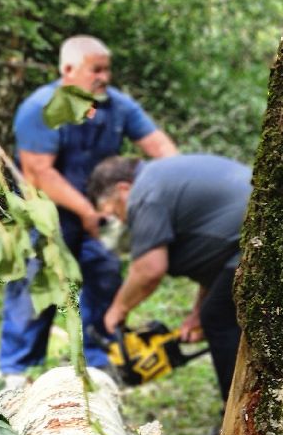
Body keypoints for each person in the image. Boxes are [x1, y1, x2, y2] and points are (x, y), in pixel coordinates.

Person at [0, 35, 177, 385]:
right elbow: (39, 172)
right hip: (47, 213)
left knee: (105, 273)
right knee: (37, 281)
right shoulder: (40, 108)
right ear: (68, 70)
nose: (104, 77)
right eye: (96, 69)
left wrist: (182, 176)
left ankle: (100, 364)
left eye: (107, 69)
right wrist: (84, 211)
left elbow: (156, 143)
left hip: (99, 211)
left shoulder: (117, 106)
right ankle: (15, 373)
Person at [87, 153, 251, 405]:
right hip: (242, 245)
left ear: (123, 188)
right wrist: (197, 312)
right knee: (213, 315)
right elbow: (214, 257)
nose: (121, 220)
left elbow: (149, 269)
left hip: (250, 244)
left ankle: (240, 414)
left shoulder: (145, 193)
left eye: (115, 211)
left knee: (219, 319)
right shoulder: (158, 179)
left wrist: (117, 310)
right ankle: (239, 413)